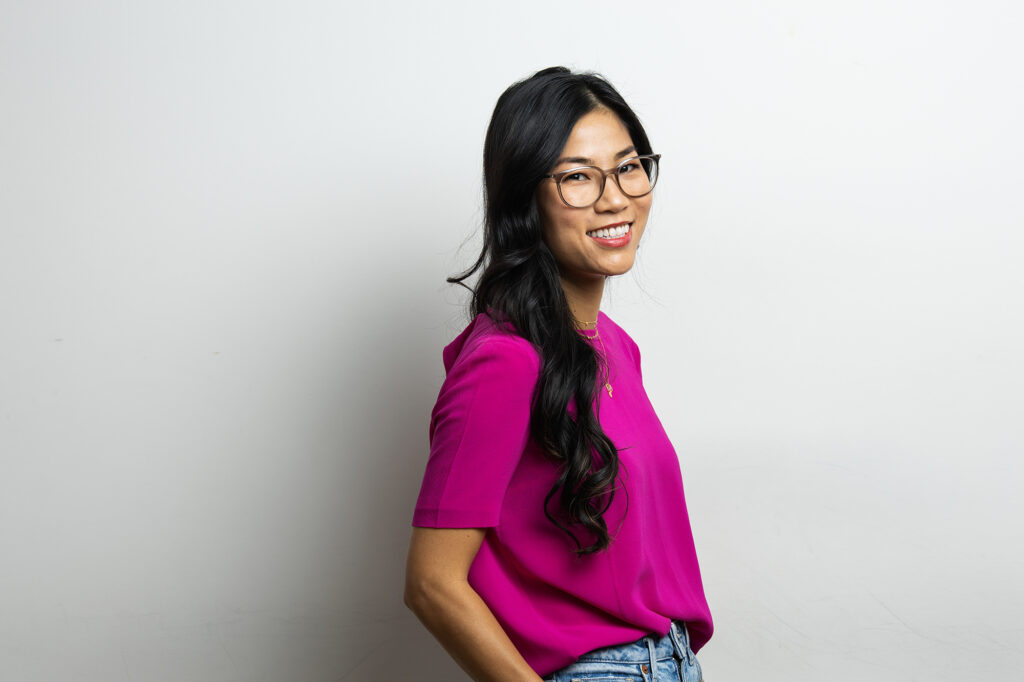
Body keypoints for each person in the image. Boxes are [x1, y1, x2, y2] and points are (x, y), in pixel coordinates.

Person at [404, 66, 713, 682]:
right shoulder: (505, 359)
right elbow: (432, 583)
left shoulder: (615, 347)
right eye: (577, 177)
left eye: (629, 166)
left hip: (667, 663)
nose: (615, 197)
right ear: (527, 199)